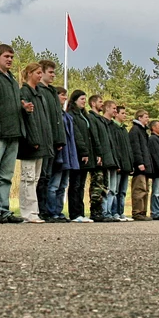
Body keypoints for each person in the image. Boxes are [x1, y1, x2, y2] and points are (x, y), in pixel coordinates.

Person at [0, 45, 26, 224]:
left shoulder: (12, 79)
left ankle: (4, 209)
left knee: (6, 175)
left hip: (13, 132)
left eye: (11, 57)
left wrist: (23, 107)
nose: (9, 60)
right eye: (6, 57)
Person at [18, 63, 52, 223]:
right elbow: (28, 119)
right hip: (30, 143)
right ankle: (27, 213)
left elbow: (43, 120)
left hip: (41, 142)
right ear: (30, 73)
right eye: (38, 73)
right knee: (28, 177)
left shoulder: (40, 94)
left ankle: (34, 211)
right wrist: (33, 139)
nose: (40, 75)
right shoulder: (24, 92)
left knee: (36, 178)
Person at [35, 60, 66, 221]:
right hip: (43, 139)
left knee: (47, 176)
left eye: (54, 72)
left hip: (54, 141)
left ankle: (47, 209)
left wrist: (60, 139)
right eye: (50, 72)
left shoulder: (52, 92)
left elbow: (57, 117)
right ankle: (40, 209)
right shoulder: (38, 90)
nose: (53, 75)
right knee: (40, 176)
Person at [50, 86, 80, 223]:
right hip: (58, 153)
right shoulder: (54, 113)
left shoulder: (66, 116)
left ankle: (58, 211)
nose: (65, 97)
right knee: (54, 185)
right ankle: (51, 211)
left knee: (62, 185)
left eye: (65, 95)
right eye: (62, 95)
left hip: (68, 154)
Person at [66, 90, 97, 223]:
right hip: (77, 155)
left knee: (81, 185)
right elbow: (77, 136)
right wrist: (84, 152)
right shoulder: (72, 115)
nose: (84, 101)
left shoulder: (84, 116)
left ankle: (80, 212)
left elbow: (91, 135)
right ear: (74, 100)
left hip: (87, 155)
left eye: (85, 99)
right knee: (75, 184)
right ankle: (74, 213)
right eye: (82, 99)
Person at [86, 95, 116, 222]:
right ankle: (95, 211)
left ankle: (102, 211)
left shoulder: (101, 119)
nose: (102, 104)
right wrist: (98, 154)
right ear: (93, 103)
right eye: (100, 102)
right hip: (98, 157)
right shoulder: (92, 118)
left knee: (104, 186)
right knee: (97, 185)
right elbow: (95, 137)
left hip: (105, 157)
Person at [128, 110, 153, 221]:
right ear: (139, 118)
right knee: (139, 189)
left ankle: (143, 211)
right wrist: (139, 162)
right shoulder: (135, 130)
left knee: (145, 189)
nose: (147, 119)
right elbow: (136, 148)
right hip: (140, 165)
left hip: (146, 165)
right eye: (145, 117)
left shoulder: (143, 131)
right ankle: (137, 212)